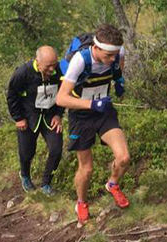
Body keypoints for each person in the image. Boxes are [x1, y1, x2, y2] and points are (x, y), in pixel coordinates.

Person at [56, 24, 130, 225]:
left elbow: (118, 69)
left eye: (115, 55)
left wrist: (119, 81)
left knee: (123, 157)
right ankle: (81, 202)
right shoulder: (80, 61)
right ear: (96, 49)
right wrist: (91, 104)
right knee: (86, 169)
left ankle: (112, 184)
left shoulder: (118, 52)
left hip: (104, 111)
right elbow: (61, 99)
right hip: (81, 115)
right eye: (108, 56)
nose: (112, 59)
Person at [7, 46, 64, 195]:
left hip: (50, 117)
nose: (52, 69)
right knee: (27, 153)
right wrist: (18, 118)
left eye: (55, 64)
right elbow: (12, 95)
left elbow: (62, 92)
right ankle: (25, 175)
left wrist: (59, 114)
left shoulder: (57, 71)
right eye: (48, 66)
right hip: (29, 117)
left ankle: (46, 184)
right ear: (38, 62)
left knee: (56, 149)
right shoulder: (23, 73)